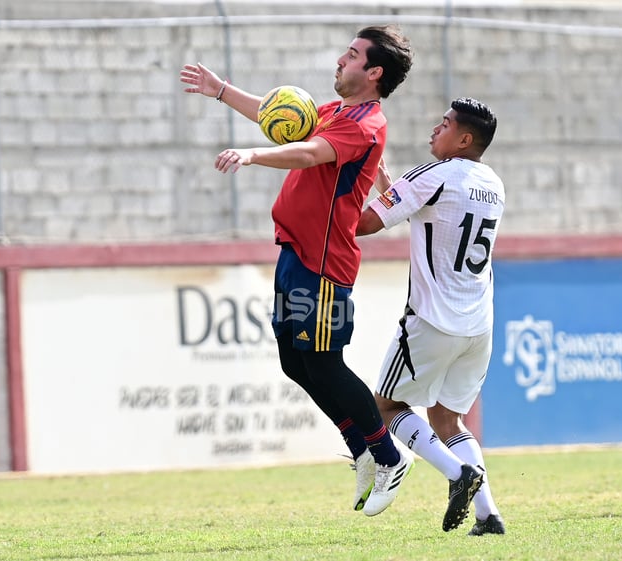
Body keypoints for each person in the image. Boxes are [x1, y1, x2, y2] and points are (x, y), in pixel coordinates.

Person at [180, 25, 414, 517]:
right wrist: (220, 90)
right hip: (294, 253)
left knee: (324, 364)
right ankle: (362, 451)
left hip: (324, 261)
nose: (340, 60)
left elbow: (309, 152)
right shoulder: (336, 111)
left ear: (373, 73)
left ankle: (390, 457)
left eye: (351, 56)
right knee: (294, 363)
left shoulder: (366, 122)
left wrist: (251, 155)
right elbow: (276, 116)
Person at [356, 98, 506, 534]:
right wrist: (396, 187)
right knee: (447, 419)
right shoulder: (493, 183)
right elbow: (438, 217)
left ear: (463, 139)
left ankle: (457, 473)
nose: (433, 130)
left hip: (432, 320)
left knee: (384, 408)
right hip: (478, 325)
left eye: (443, 124)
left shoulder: (432, 174)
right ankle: (488, 514)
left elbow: (367, 223)